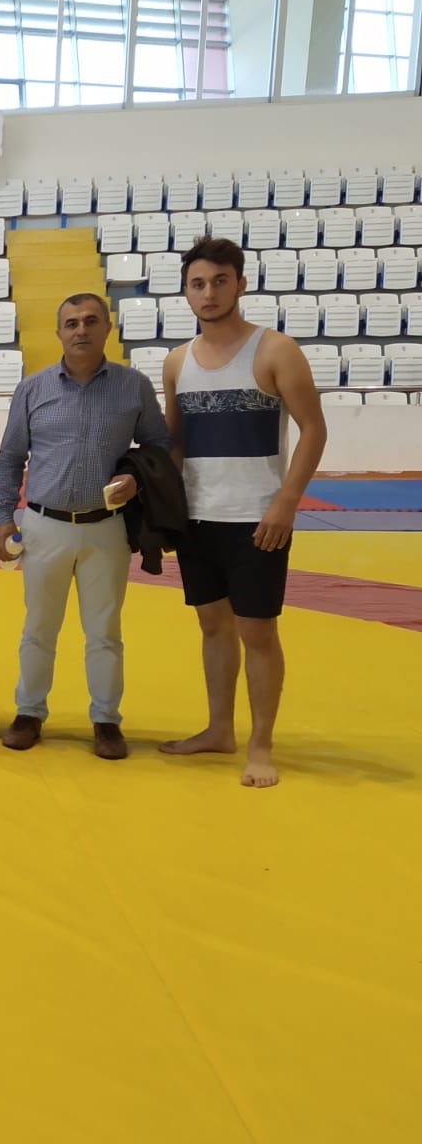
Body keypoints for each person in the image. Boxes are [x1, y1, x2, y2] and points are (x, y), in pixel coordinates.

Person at [161, 236, 327, 788]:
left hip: (257, 516)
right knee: (213, 626)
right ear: (186, 292)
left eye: (219, 281)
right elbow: (176, 443)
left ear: (240, 283)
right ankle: (218, 729)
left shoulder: (276, 350)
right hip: (197, 516)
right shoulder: (177, 362)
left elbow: (313, 430)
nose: (208, 293)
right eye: (197, 284)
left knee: (257, 630)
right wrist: (162, 505)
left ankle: (260, 745)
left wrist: (286, 502)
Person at [0, 293, 171, 760]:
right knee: (38, 627)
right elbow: (9, 459)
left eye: (91, 321)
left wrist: (136, 478)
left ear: (107, 328)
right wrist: (4, 518)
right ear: (59, 333)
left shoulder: (134, 387)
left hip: (106, 527)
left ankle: (107, 721)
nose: (81, 330)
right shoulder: (33, 389)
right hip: (43, 525)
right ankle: (29, 712)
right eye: (71, 323)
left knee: (105, 631)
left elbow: (159, 447)